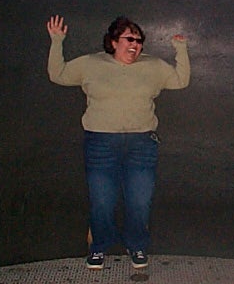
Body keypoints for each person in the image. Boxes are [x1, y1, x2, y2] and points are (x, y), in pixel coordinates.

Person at [46, 14, 190, 270]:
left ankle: (137, 245)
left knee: (139, 200)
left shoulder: (153, 65)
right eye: (129, 39)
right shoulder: (91, 63)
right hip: (101, 143)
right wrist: (57, 41)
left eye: (139, 41)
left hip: (141, 144)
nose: (135, 44)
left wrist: (181, 49)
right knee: (102, 200)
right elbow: (57, 74)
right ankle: (99, 245)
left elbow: (181, 80)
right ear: (113, 42)